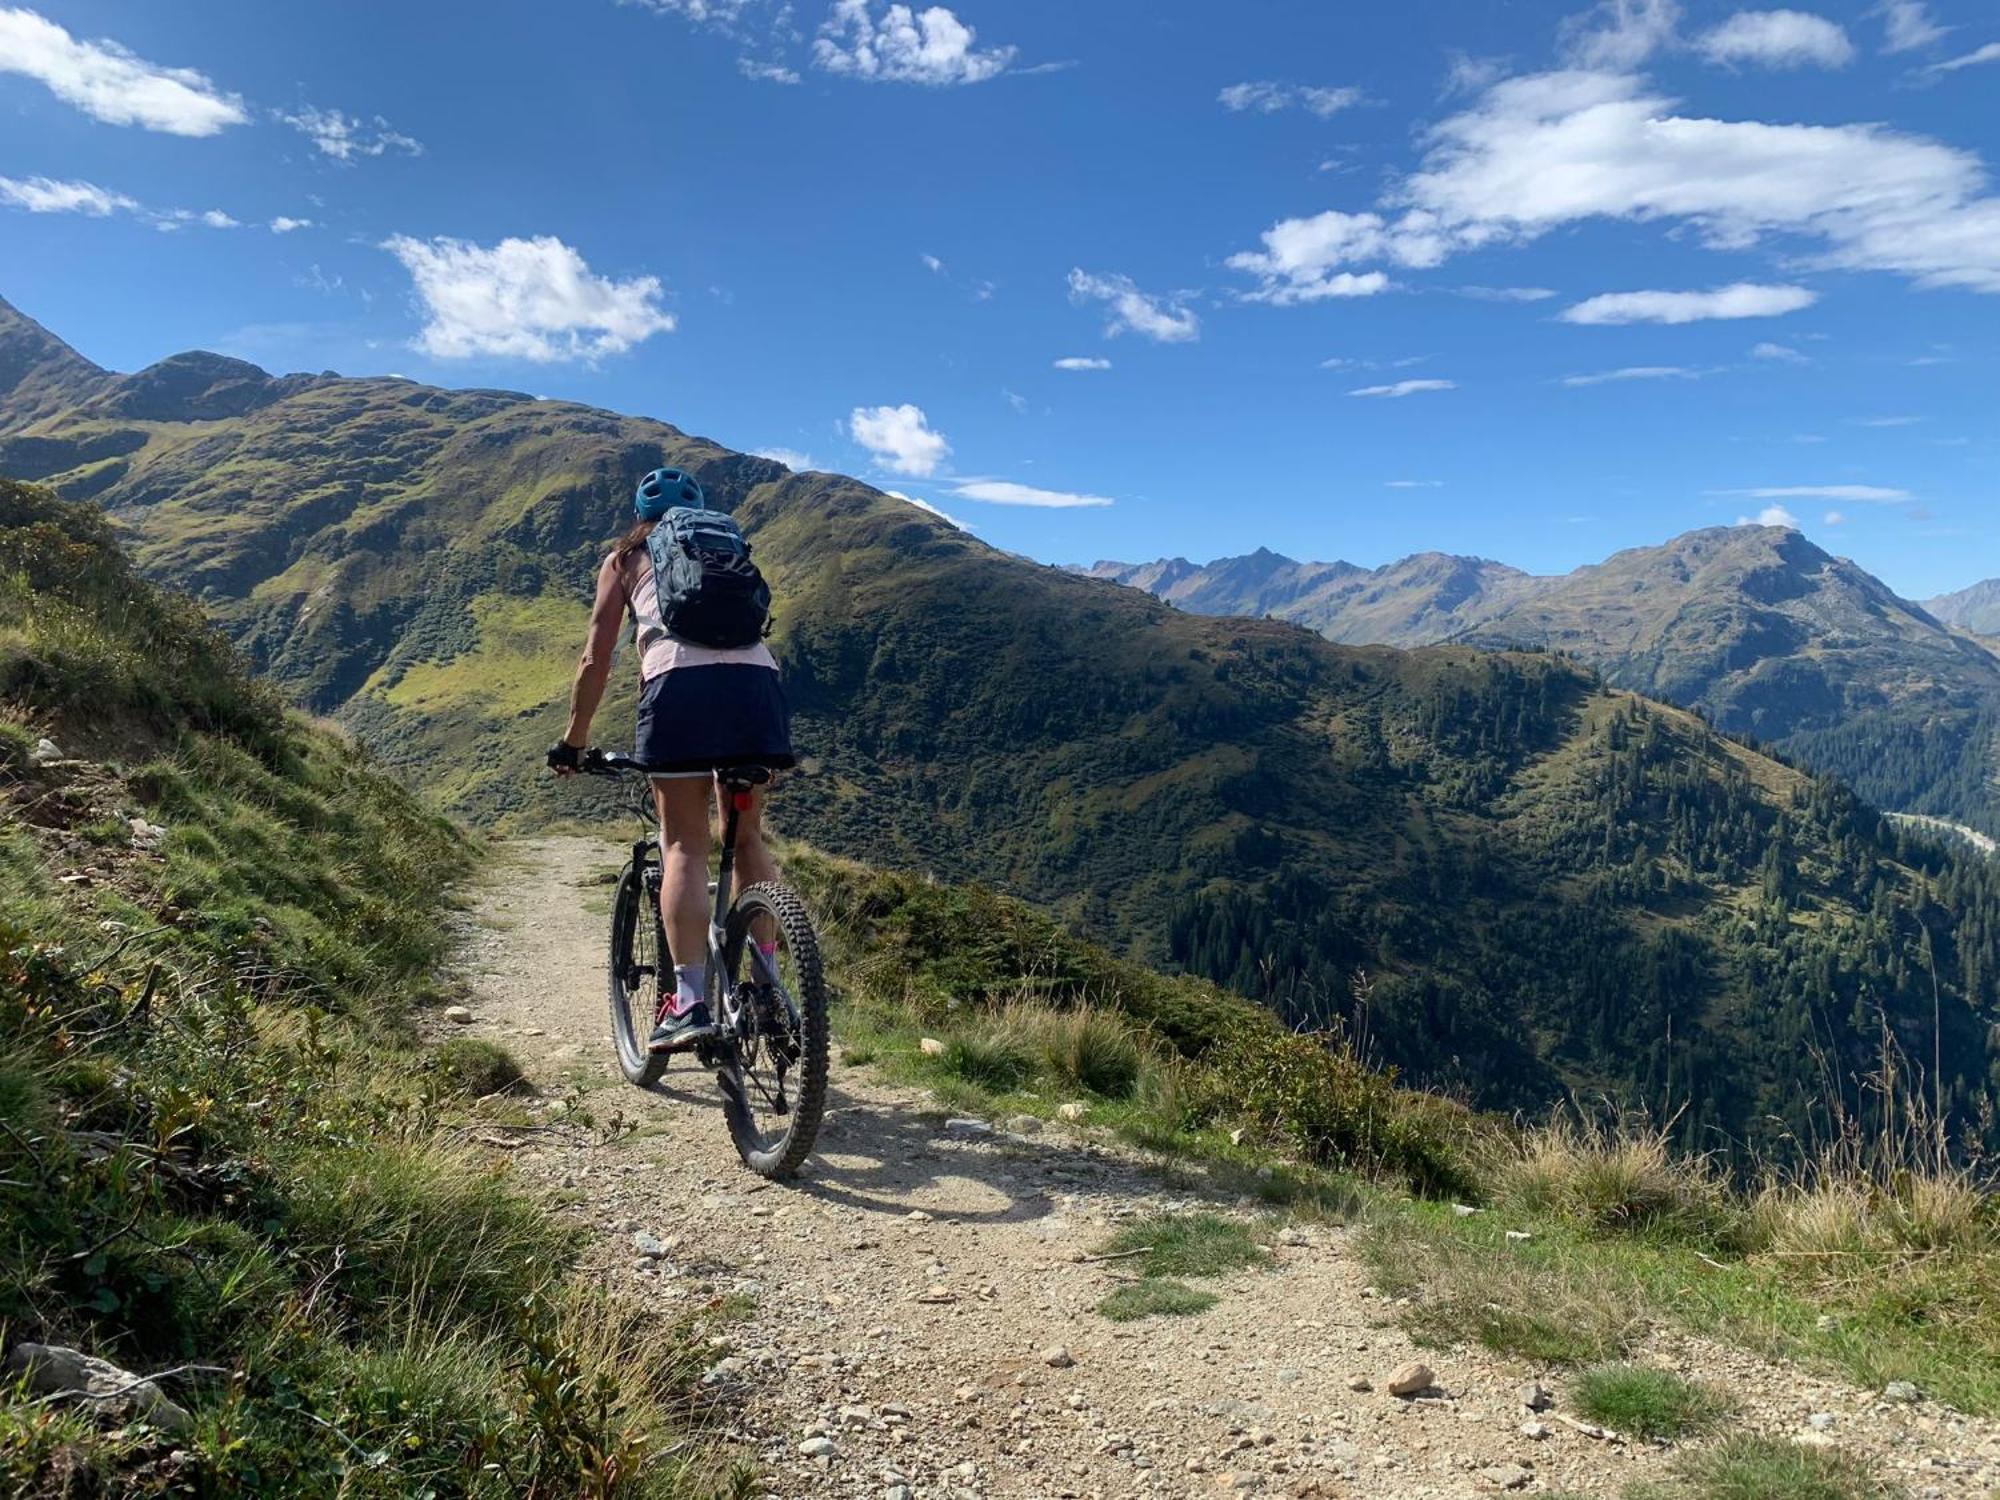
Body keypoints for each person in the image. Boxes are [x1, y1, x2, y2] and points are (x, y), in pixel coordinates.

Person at [548, 468, 794, 1052]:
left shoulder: (624, 559)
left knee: (684, 843)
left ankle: (688, 1000)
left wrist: (574, 740)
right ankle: (769, 983)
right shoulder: (728, 548)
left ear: (640, 514)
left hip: (679, 690)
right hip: (758, 687)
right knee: (747, 834)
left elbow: (596, 656)